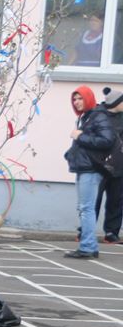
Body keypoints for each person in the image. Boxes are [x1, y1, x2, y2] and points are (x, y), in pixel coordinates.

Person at [64, 85, 116, 259]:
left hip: (91, 169)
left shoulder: (98, 116)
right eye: (74, 99)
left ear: (89, 98)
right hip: (84, 167)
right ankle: (89, 246)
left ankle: (87, 247)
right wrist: (70, 154)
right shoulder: (85, 117)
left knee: (86, 208)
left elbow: (107, 140)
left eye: (80, 98)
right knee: (84, 208)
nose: (77, 102)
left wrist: (80, 136)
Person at [96, 87, 123, 243]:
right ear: (116, 102)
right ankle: (85, 231)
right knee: (93, 200)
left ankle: (112, 233)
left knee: (116, 201)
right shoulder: (98, 115)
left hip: (119, 166)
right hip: (99, 166)